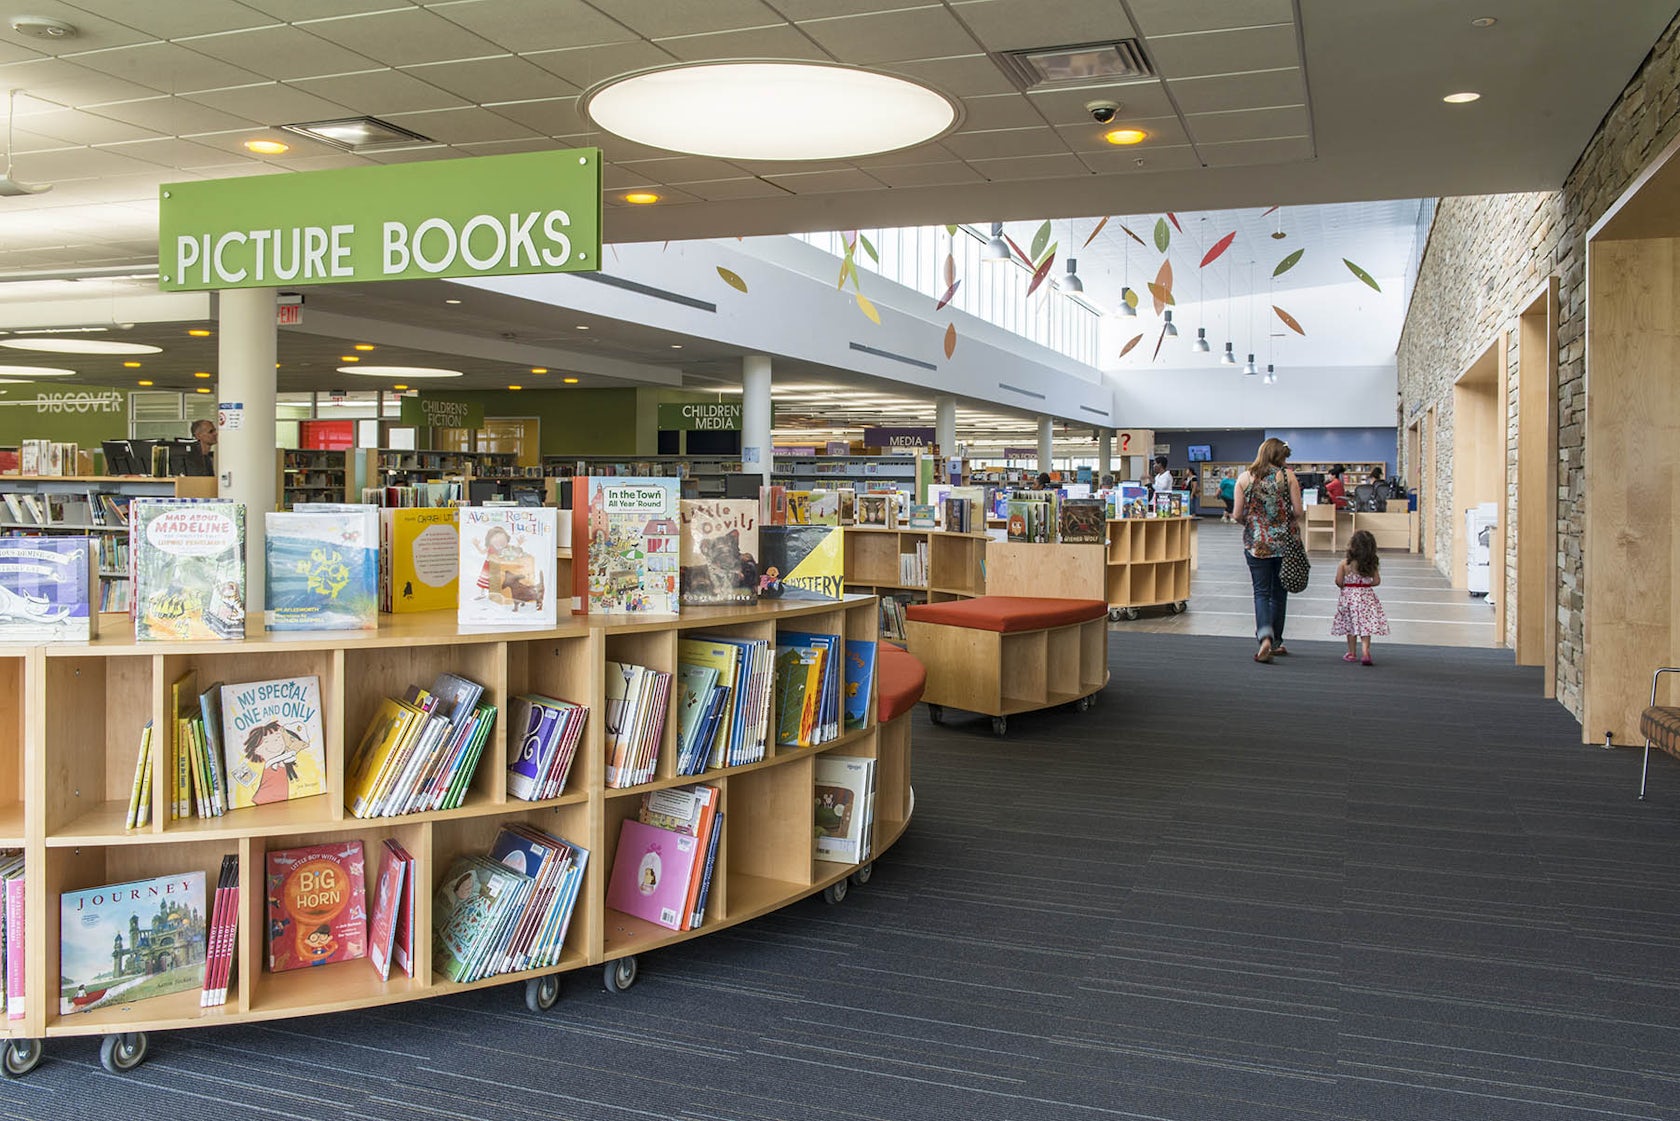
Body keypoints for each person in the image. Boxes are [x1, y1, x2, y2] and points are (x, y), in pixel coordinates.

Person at [1232, 437, 1301, 663]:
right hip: (1283, 544)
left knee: (1261, 592)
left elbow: (1236, 514)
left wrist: (1252, 525)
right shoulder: (1288, 476)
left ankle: (1265, 638)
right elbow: (1298, 511)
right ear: (1278, 455)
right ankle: (1277, 641)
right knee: (1279, 593)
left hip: (1256, 544)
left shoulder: (1244, 478)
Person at [1332, 529, 1389, 665]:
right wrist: (1365, 584)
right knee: (1365, 626)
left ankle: (1351, 653)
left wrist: (1346, 586)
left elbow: (1339, 582)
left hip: (1349, 598)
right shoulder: (1371, 564)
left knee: (1351, 626)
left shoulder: (1344, 564)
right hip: (1366, 597)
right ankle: (1365, 652)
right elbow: (1376, 581)